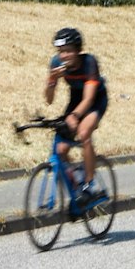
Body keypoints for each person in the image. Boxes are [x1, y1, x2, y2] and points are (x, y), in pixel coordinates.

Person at [42, 28, 109, 203]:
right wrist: (51, 80)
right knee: (61, 150)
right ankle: (76, 186)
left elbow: (89, 98)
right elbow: (48, 100)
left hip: (95, 99)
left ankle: (89, 185)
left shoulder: (89, 62)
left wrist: (74, 116)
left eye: (68, 51)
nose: (64, 56)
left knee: (84, 132)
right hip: (75, 100)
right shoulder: (56, 62)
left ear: (78, 50)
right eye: (61, 51)